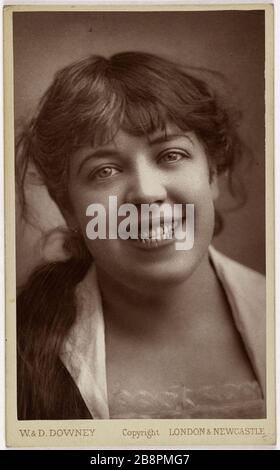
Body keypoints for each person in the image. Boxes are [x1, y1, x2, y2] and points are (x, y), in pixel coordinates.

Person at [16, 52, 266, 420]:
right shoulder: (17, 349)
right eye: (104, 171)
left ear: (212, 174)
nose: (147, 193)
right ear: (68, 207)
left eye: (170, 155)